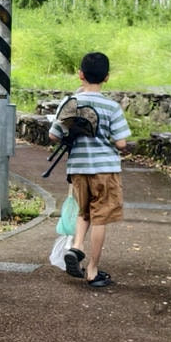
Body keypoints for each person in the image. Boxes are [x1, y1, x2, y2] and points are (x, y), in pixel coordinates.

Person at [50, 51, 131, 290]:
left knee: (83, 212)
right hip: (105, 169)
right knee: (100, 218)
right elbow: (121, 143)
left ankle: (77, 247)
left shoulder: (71, 102)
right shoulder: (112, 106)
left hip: (78, 169)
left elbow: (54, 134)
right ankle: (92, 270)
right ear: (106, 77)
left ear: (80, 74)